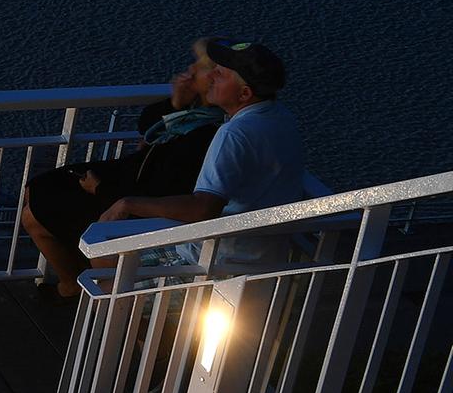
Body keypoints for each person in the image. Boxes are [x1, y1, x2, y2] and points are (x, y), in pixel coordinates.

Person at [19, 44, 226, 298]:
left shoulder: (208, 133)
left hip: (134, 202)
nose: (191, 70)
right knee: (37, 188)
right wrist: (176, 102)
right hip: (129, 179)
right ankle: (76, 278)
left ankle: (71, 286)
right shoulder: (192, 112)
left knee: (34, 214)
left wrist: (100, 189)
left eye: (202, 67)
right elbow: (146, 125)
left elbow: (164, 187)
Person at [101, 39, 304, 228]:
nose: (212, 76)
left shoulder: (233, 133)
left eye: (221, 74)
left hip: (224, 253)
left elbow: (204, 208)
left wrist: (127, 204)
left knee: (103, 256)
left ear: (244, 94)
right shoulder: (281, 117)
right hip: (265, 246)